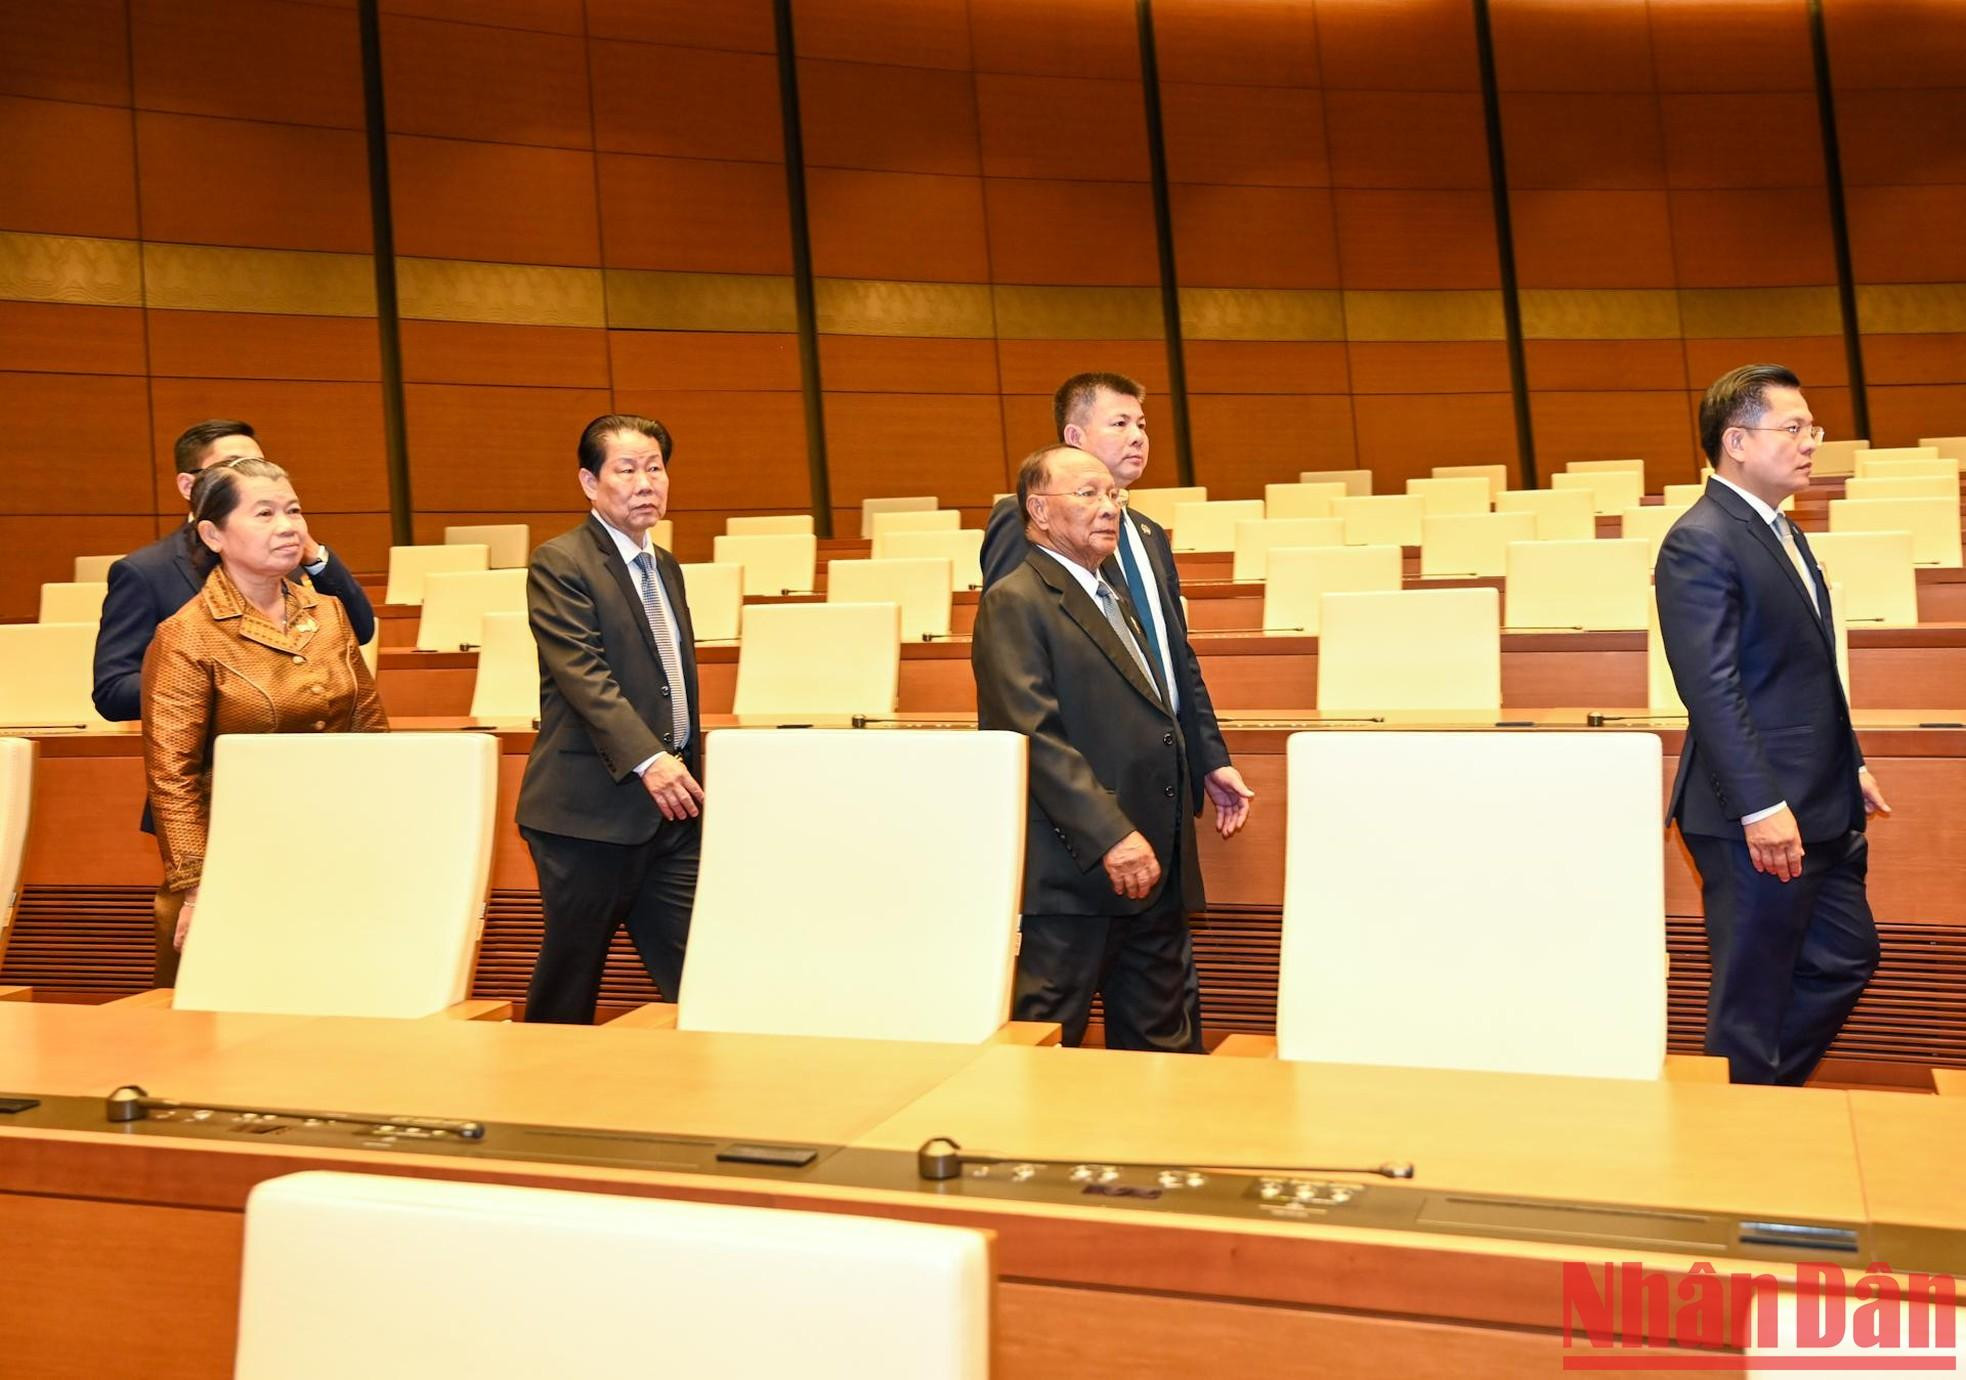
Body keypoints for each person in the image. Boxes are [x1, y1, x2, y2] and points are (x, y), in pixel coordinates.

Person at [1656, 363, 1892, 1085]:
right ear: (1736, 441)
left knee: (1845, 959)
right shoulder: (1700, 539)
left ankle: (1760, 1102)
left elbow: (1813, 666)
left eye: (1810, 428)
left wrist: (1848, 759)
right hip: (1754, 819)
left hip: (1821, 801)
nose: (1811, 442)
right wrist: (1762, 806)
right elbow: (1713, 689)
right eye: (1793, 428)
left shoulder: (1781, 529)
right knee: (1750, 1006)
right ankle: (1735, 1163)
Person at [973, 444, 1223, 1051]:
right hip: (1075, 876)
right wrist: (1111, 834)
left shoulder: (1117, 597)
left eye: (1113, 495)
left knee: (1162, 1048)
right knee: (1047, 1047)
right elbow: (1031, 735)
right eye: (1086, 494)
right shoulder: (1016, 600)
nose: (1108, 507)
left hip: (1152, 867)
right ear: (1038, 509)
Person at [981, 372, 1252, 843]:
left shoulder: (1148, 533)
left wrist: (1210, 757)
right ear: (1075, 437)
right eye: (1121, 423)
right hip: (1090, 786)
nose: (1138, 437)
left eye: (1143, 425)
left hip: (1158, 775)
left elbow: (1175, 656)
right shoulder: (1024, 517)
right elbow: (1013, 652)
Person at [141, 457, 387, 962]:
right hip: (240, 861)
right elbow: (172, 776)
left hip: (338, 847)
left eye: (293, 511)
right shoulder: (187, 635)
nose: (287, 527)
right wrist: (196, 885)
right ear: (213, 535)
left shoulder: (329, 612)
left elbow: (370, 730)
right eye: (264, 514)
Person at [516, 414, 703, 1024]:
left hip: (671, 816)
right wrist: (652, 760)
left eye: (655, 467)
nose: (646, 482)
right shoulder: (561, 562)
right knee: (571, 983)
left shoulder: (666, 566)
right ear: (589, 483)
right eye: (627, 469)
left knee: (699, 973)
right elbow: (583, 676)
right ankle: (541, 1103)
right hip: (587, 815)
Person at [96, 419, 375, 724]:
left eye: (257, 464)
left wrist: (314, 557)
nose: (250, 475)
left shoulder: (283, 556)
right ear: (188, 486)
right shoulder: (146, 572)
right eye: (232, 465)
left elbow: (359, 632)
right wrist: (221, 684)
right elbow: (113, 692)